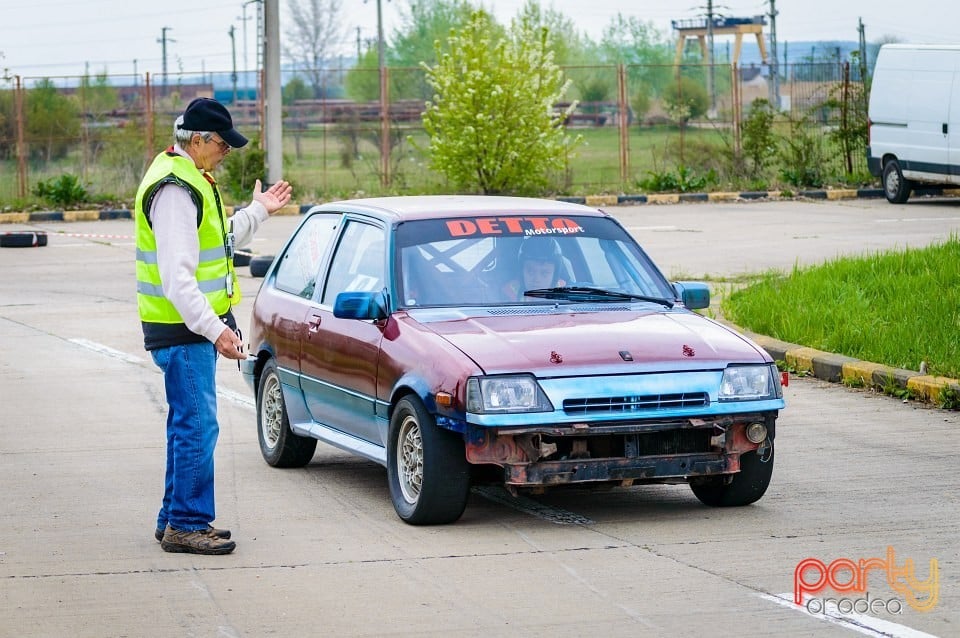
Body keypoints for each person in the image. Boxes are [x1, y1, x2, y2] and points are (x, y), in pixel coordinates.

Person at [134, 97, 292, 555]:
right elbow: (177, 277)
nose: (227, 152)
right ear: (199, 140)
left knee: (188, 425)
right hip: (183, 332)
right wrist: (214, 329)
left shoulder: (190, 180)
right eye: (223, 144)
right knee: (198, 427)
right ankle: (187, 523)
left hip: (187, 331)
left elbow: (218, 240)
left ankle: (174, 518)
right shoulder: (175, 191)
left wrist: (258, 209)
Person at [501, 237, 567, 301]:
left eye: (544, 273)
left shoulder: (565, 292)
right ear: (522, 272)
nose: (536, 279)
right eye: (530, 272)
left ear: (554, 275)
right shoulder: (509, 293)